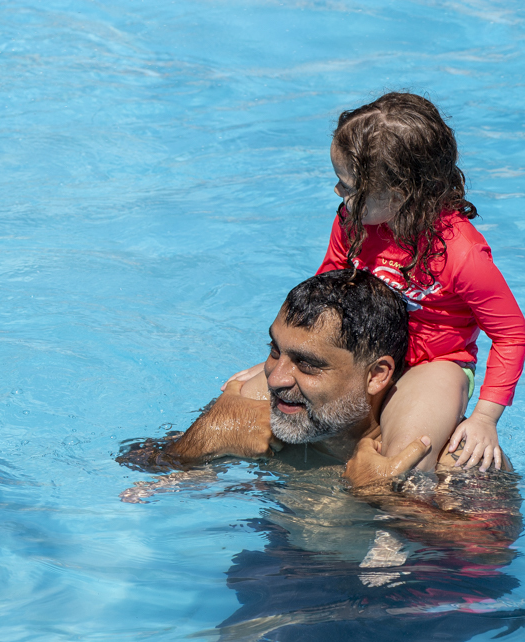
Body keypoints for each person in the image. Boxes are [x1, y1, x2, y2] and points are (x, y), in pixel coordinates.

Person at [230, 92, 525, 474]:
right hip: (363, 351)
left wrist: (485, 417)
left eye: (348, 187)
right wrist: (288, 362)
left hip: (434, 365)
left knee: (407, 457)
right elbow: (327, 295)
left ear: (398, 194)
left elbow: (511, 334)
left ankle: (389, 514)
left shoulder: (462, 255)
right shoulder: (353, 222)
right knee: (241, 399)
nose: (338, 193)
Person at [159, 269, 435, 486]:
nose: (275, 379)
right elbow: (145, 473)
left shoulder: (434, 461)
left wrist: (377, 495)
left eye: (306, 364)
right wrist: (201, 439)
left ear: (375, 376)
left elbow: (451, 538)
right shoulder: (250, 418)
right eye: (275, 351)